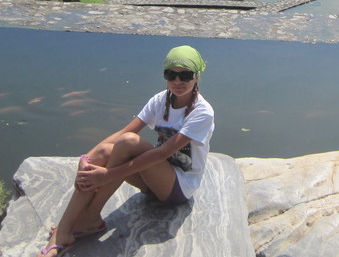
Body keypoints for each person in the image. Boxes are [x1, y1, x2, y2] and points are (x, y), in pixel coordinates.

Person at [38, 45, 214, 257]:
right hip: (152, 179)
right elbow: (124, 131)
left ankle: (89, 218)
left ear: (197, 77)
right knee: (103, 151)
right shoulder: (160, 100)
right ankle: (66, 228)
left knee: (129, 143)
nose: (177, 82)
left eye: (185, 75)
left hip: (177, 188)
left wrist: (108, 175)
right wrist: (86, 157)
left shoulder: (203, 112)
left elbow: (162, 153)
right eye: (171, 75)